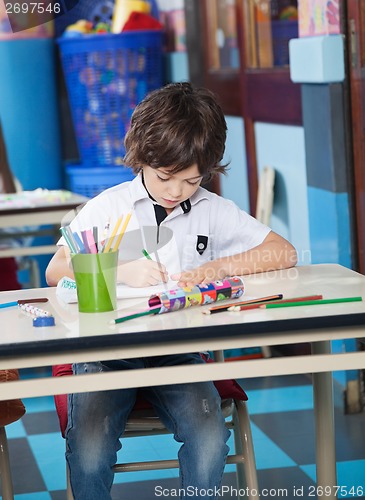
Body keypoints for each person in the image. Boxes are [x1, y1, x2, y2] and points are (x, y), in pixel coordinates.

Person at [46, 82, 297, 499]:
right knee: (89, 452)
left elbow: (283, 253)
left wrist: (217, 266)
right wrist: (121, 270)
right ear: (142, 156)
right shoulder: (109, 207)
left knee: (210, 440)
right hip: (107, 355)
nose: (177, 191)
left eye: (192, 179)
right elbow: (56, 269)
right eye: (166, 177)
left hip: (179, 352)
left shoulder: (211, 209)